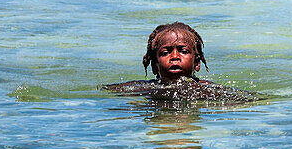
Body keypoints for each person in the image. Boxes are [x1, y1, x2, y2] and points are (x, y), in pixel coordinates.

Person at [100, 22, 258, 102]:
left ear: (197, 63)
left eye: (183, 51)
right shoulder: (144, 89)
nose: (174, 56)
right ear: (155, 65)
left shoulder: (206, 90)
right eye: (165, 52)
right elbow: (105, 92)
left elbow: (246, 99)